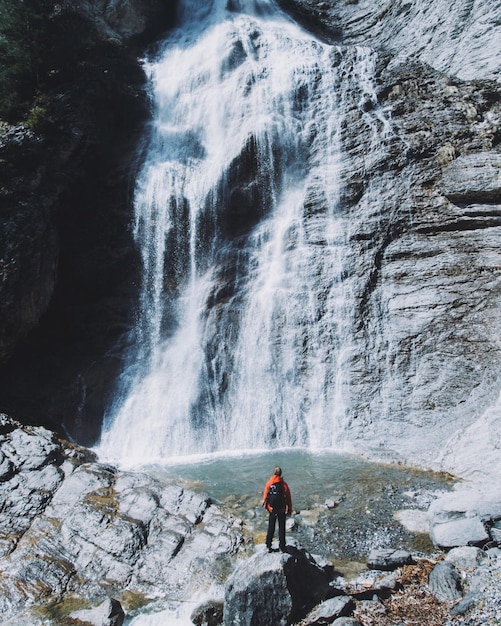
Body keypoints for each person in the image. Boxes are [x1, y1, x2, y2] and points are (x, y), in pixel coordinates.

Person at [262, 465, 292, 553]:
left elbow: (265, 498)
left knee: (271, 527)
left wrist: (268, 507)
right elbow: (288, 499)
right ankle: (282, 547)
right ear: (281, 474)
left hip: (272, 509)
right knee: (281, 528)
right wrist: (289, 509)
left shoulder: (269, 483)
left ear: (273, 473)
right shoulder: (284, 485)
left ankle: (268, 545)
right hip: (281, 509)